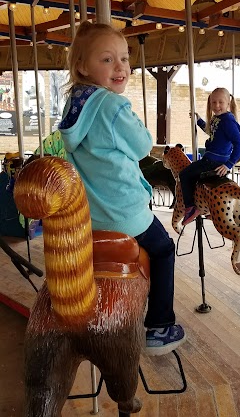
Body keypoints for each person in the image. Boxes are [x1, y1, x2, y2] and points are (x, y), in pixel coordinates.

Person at [59, 20, 185, 356]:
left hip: (89, 218)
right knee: (164, 250)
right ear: (82, 66)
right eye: (107, 60)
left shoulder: (75, 105)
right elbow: (143, 145)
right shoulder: (112, 106)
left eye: (124, 59)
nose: (120, 67)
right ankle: (159, 326)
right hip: (124, 213)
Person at [180, 87, 240, 226]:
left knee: (184, 175)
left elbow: (239, 144)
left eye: (221, 102)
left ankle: (191, 207)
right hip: (212, 158)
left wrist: (229, 164)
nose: (217, 106)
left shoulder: (228, 121)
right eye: (213, 102)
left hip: (214, 160)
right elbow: (212, 131)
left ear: (228, 103)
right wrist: (199, 121)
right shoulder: (218, 118)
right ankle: (209, 206)